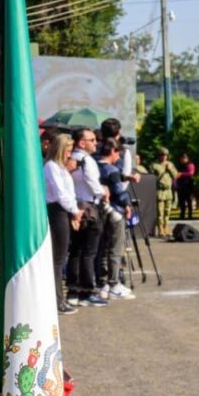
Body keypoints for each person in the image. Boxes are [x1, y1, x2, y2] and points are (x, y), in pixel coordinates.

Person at [67, 128, 107, 307]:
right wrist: (103, 192)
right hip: (89, 207)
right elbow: (92, 183)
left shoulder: (70, 158)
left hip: (75, 206)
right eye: (92, 140)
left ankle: (73, 290)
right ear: (82, 143)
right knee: (89, 252)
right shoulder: (87, 160)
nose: (95, 143)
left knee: (76, 250)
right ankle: (87, 291)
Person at [45, 134, 82, 315]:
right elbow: (60, 193)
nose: (69, 154)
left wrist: (74, 211)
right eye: (67, 150)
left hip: (63, 210)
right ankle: (57, 301)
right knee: (57, 259)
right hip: (56, 210)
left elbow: (68, 193)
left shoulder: (59, 167)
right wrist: (75, 211)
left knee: (60, 258)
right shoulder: (51, 167)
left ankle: (59, 298)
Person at [97, 139, 134, 300]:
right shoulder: (111, 170)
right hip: (115, 212)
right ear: (112, 151)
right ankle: (114, 283)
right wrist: (127, 205)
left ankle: (103, 283)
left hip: (101, 211)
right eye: (117, 152)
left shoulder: (94, 166)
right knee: (115, 248)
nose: (118, 156)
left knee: (103, 249)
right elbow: (119, 192)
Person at [151, 147, 177, 238]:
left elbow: (175, 176)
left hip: (168, 191)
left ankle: (166, 228)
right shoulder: (155, 165)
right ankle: (160, 229)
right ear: (159, 156)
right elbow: (151, 178)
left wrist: (170, 169)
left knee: (167, 211)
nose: (164, 157)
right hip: (160, 191)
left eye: (165, 155)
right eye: (162, 155)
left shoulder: (170, 164)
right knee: (160, 212)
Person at [175, 153, 196, 219]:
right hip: (181, 186)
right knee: (181, 201)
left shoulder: (190, 165)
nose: (182, 160)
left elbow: (191, 173)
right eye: (181, 158)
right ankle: (182, 215)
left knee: (189, 201)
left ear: (187, 159)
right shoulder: (179, 166)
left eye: (184, 158)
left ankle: (190, 215)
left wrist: (181, 174)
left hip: (188, 186)